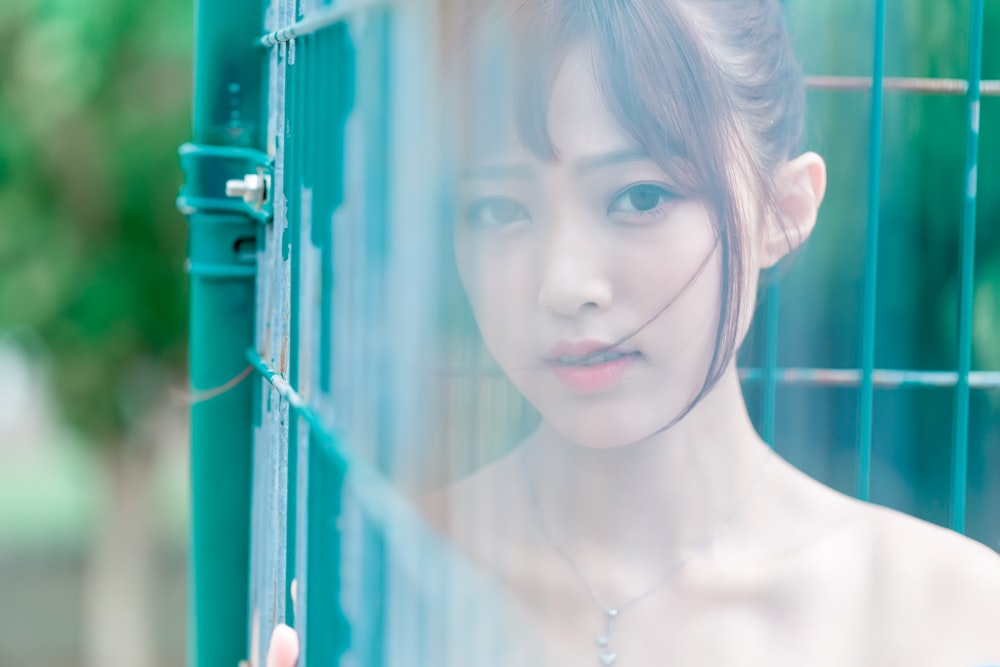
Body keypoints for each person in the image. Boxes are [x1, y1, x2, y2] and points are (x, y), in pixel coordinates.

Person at [267, 0, 1000, 665]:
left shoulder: (951, 618)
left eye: (640, 197)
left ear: (782, 209)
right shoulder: (366, 584)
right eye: (498, 209)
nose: (566, 284)